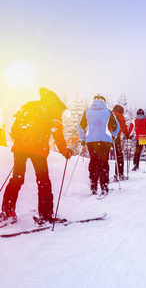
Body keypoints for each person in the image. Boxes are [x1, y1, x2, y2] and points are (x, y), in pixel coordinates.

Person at [0, 87, 73, 226]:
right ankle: (45, 214)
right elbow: (57, 133)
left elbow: (15, 127)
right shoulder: (53, 110)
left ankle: (7, 212)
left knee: (17, 178)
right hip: (37, 148)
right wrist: (64, 151)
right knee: (43, 181)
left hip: (20, 147)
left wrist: (21, 144)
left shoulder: (30, 106)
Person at [78, 95, 119, 196]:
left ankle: (93, 186)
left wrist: (82, 138)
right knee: (104, 162)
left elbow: (81, 126)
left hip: (91, 140)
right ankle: (104, 186)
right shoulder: (108, 112)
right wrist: (113, 136)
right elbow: (116, 127)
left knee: (93, 162)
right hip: (105, 140)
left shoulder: (87, 112)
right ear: (104, 102)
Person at [112, 105, 130, 181]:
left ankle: (101, 176)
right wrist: (126, 133)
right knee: (119, 155)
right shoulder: (119, 115)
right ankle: (119, 174)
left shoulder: (109, 113)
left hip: (106, 137)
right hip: (116, 137)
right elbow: (123, 126)